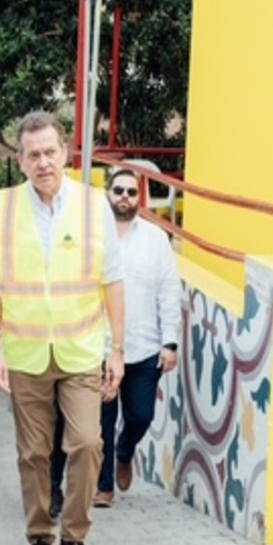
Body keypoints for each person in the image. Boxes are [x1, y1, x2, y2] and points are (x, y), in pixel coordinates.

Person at [0, 111, 125, 545]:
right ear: (20, 160)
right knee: (34, 454)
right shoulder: (5, 207)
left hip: (82, 348)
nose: (43, 162)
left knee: (87, 442)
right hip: (25, 354)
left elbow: (113, 280)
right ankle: (40, 538)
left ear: (65, 153)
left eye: (50, 151)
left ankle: (75, 537)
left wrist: (117, 350)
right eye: (33, 154)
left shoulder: (93, 204)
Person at [102, 166, 182, 501]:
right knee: (100, 425)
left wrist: (170, 341)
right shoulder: (93, 235)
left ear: (139, 197)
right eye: (118, 190)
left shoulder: (155, 239)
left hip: (145, 346)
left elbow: (169, 292)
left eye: (131, 192)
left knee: (141, 415)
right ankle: (103, 487)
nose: (124, 197)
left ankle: (125, 451)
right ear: (108, 193)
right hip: (101, 348)